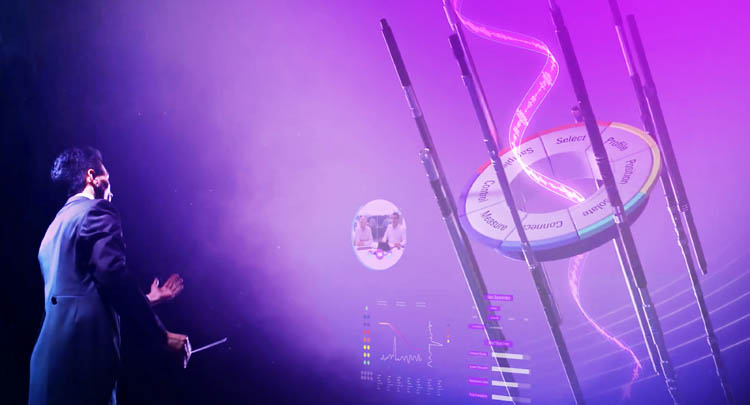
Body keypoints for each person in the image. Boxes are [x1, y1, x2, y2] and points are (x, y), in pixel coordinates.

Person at [29, 147, 188, 405]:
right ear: (92, 177)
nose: (112, 190)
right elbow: (113, 276)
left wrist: (149, 299)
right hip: (82, 364)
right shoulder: (97, 210)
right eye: (108, 179)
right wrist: (162, 336)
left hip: (46, 367)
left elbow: (81, 294)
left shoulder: (54, 228)